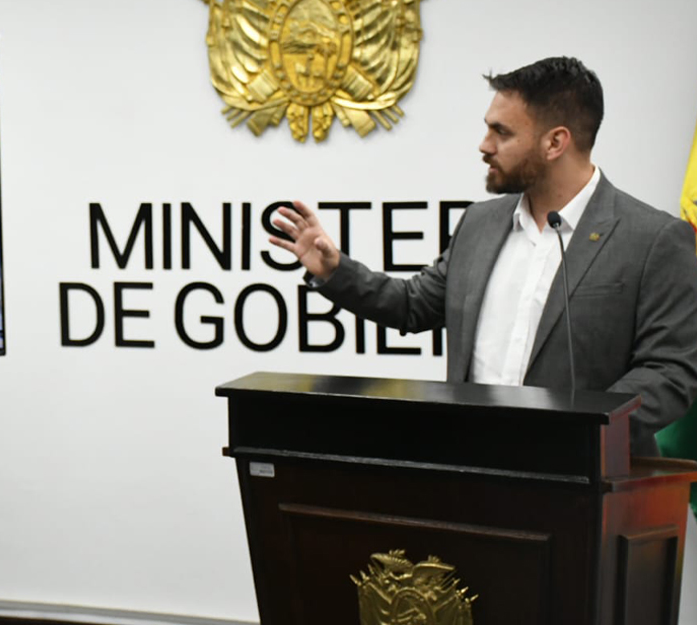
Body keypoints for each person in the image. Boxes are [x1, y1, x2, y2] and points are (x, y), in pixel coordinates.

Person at [267, 56, 697, 457]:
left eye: (502, 133)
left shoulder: (654, 239)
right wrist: (334, 270)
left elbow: (670, 372)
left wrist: (583, 431)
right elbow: (414, 305)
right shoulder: (480, 223)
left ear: (555, 142)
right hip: (471, 476)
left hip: (588, 486)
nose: (484, 145)